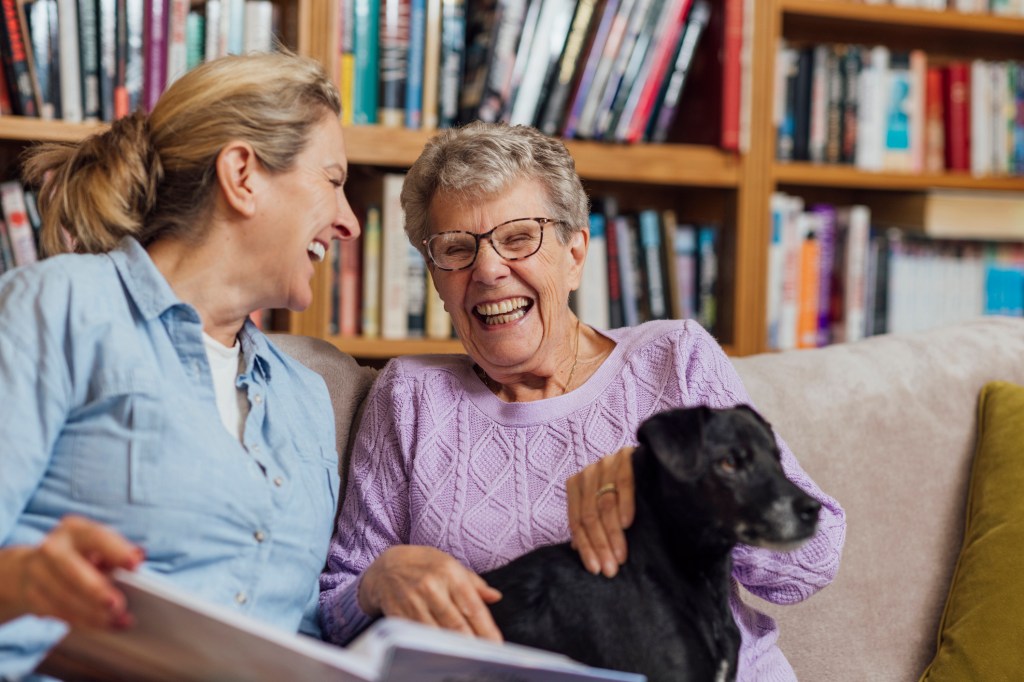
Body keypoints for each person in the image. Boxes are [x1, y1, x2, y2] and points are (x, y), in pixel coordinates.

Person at [319, 122, 846, 680]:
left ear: (575, 254)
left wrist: (673, 491)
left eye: (519, 237)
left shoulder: (675, 358)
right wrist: (381, 582)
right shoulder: (409, 397)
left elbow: (810, 564)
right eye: (457, 249)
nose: (489, 269)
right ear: (437, 278)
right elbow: (335, 612)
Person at [0, 52, 362, 679]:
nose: (349, 221)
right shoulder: (62, 306)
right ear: (243, 174)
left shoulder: (306, 399)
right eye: (333, 181)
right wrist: (20, 581)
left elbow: (299, 634)